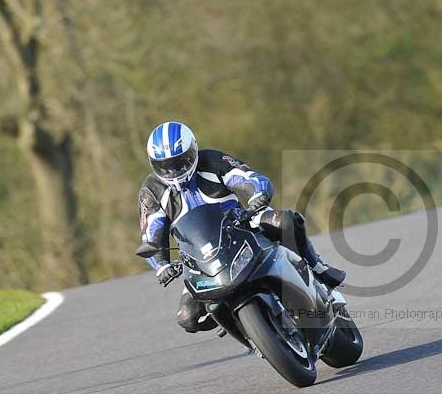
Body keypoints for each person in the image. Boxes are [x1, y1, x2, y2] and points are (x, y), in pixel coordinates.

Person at [138, 121, 346, 333]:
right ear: (153, 163)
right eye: (164, 165)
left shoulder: (211, 160)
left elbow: (247, 176)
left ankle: (318, 268)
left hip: (242, 225)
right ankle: (242, 326)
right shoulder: (152, 190)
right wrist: (161, 265)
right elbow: (150, 235)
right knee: (188, 318)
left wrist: (257, 194)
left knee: (285, 221)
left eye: (180, 162)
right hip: (200, 258)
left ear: (193, 151)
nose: (174, 170)